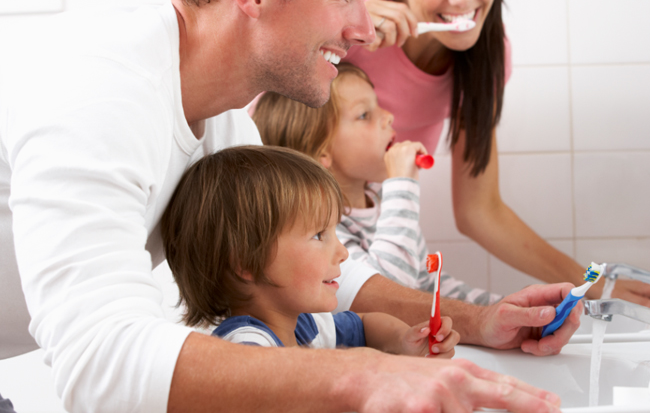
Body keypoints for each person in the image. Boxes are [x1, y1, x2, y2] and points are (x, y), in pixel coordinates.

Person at [0, 0, 571, 412]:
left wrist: (480, 321)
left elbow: (303, 262)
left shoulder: (222, 112)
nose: (363, 28)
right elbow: (101, 365)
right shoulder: (97, 90)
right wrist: (361, 377)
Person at [345, 0, 650, 308]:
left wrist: (591, 284)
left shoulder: (488, 56)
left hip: (374, 236)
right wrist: (332, 21)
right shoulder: (351, 20)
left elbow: (480, 210)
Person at [161, 145, 460, 357]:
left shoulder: (303, 324)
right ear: (247, 262)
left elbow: (365, 325)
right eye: (319, 235)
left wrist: (405, 340)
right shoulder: (246, 348)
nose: (342, 252)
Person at [253, 63, 502, 306]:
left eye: (378, 105)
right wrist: (402, 185)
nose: (388, 116)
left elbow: (426, 284)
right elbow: (392, 294)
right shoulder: (322, 227)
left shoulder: (382, 200)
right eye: (364, 115)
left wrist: (498, 308)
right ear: (323, 153)